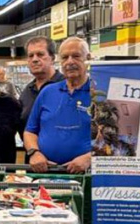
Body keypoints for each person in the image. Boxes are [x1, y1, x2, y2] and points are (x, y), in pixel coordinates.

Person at [24, 37, 91, 174]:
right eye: (65, 57)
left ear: (88, 58)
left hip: (86, 174)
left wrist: (90, 158)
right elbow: (30, 131)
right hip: (46, 172)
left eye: (76, 56)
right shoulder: (48, 92)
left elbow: (114, 140)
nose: (70, 62)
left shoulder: (100, 94)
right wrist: (34, 153)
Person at [19, 36, 65, 137]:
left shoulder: (68, 87)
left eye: (40, 54)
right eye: (31, 56)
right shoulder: (27, 91)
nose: (35, 59)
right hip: (30, 146)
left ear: (52, 58)